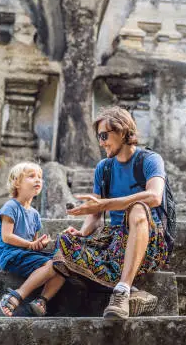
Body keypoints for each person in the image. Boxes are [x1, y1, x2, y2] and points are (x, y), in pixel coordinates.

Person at [53, 106, 169, 319]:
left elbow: (154, 197)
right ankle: (135, 293)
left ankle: (122, 291)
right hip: (114, 239)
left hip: (149, 240)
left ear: (123, 132)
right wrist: (82, 232)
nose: (101, 142)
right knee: (64, 241)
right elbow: (95, 216)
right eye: (99, 137)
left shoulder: (150, 160)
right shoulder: (103, 168)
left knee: (137, 208)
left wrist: (104, 204)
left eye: (105, 136)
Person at [0, 162, 65, 317]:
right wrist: (30, 244)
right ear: (17, 183)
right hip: (11, 254)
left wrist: (39, 244)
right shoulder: (11, 207)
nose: (38, 180)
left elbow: (33, 246)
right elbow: (6, 237)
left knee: (63, 265)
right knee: (52, 264)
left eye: (40, 177)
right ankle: (15, 296)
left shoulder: (34, 214)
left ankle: (41, 301)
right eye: (31, 176)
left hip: (26, 254)